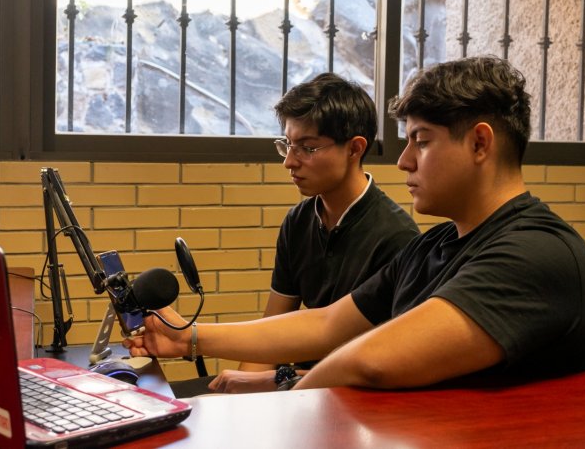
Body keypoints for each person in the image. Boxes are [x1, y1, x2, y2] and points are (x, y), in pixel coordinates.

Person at [126, 57, 585, 391]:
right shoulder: (433, 247)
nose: (403, 161)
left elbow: (372, 361)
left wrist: (284, 392)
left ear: (480, 144)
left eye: (421, 140)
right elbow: (328, 323)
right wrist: (188, 337)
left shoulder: (536, 252)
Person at [172, 72, 418, 397]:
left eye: (307, 148)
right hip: (294, 387)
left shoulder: (397, 237)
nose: (289, 161)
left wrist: (274, 381)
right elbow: (272, 329)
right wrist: (232, 398)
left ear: (355, 148)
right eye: (287, 145)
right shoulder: (299, 220)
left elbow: (379, 364)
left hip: (352, 397)